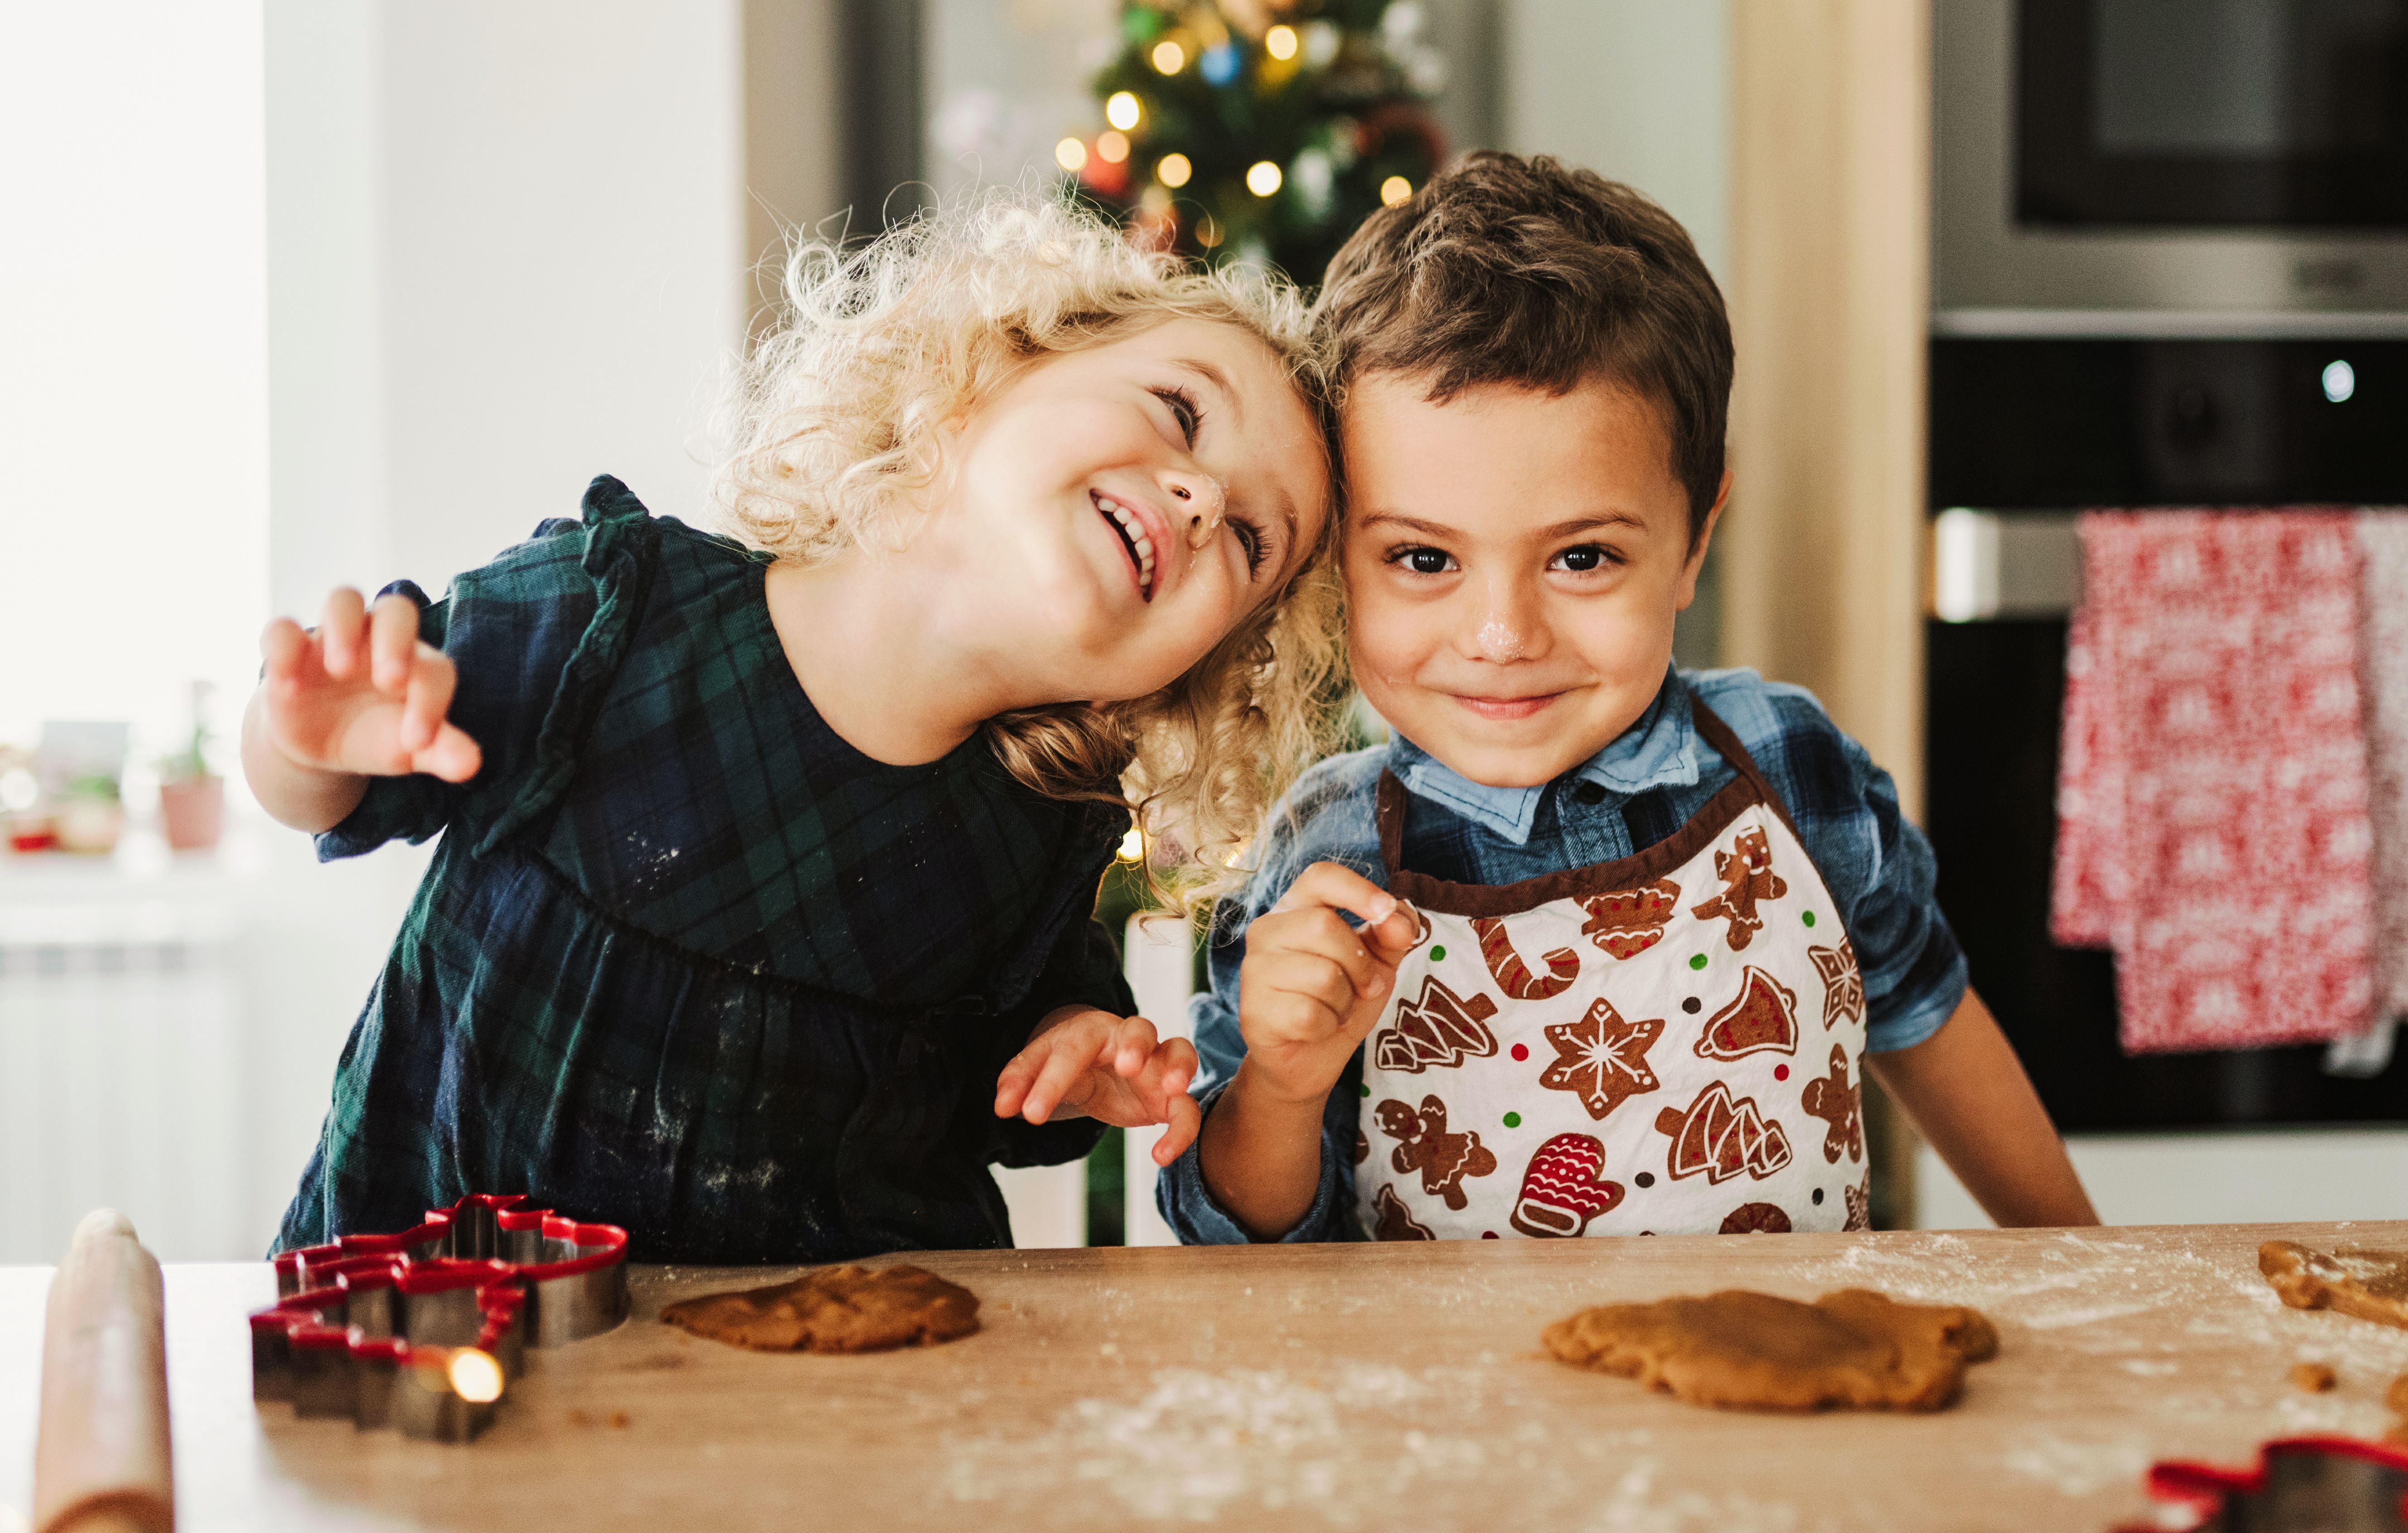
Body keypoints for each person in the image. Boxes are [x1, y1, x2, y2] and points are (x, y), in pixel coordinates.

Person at [251, 194, 1343, 1262]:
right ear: (1001, 361)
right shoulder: (611, 615)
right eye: (1181, 411)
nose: (1201, 496)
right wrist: (299, 739)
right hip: (433, 1331)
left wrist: (1076, 1056)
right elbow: (335, 792)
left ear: (1186, 669)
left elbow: (1006, 1088)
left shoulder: (1046, 827)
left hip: (809, 1405)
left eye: (1251, 539)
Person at [1159, 153, 2099, 1243]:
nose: (1503, 636)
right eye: (1422, 559)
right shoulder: (1326, 858)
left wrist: (2097, 1268)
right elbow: (1236, 1239)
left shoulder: (1789, 764)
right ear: (1339, 556)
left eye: (1582, 557)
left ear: (1695, 536)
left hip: (1793, 1394)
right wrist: (1278, 1084)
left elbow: (1928, 1019)